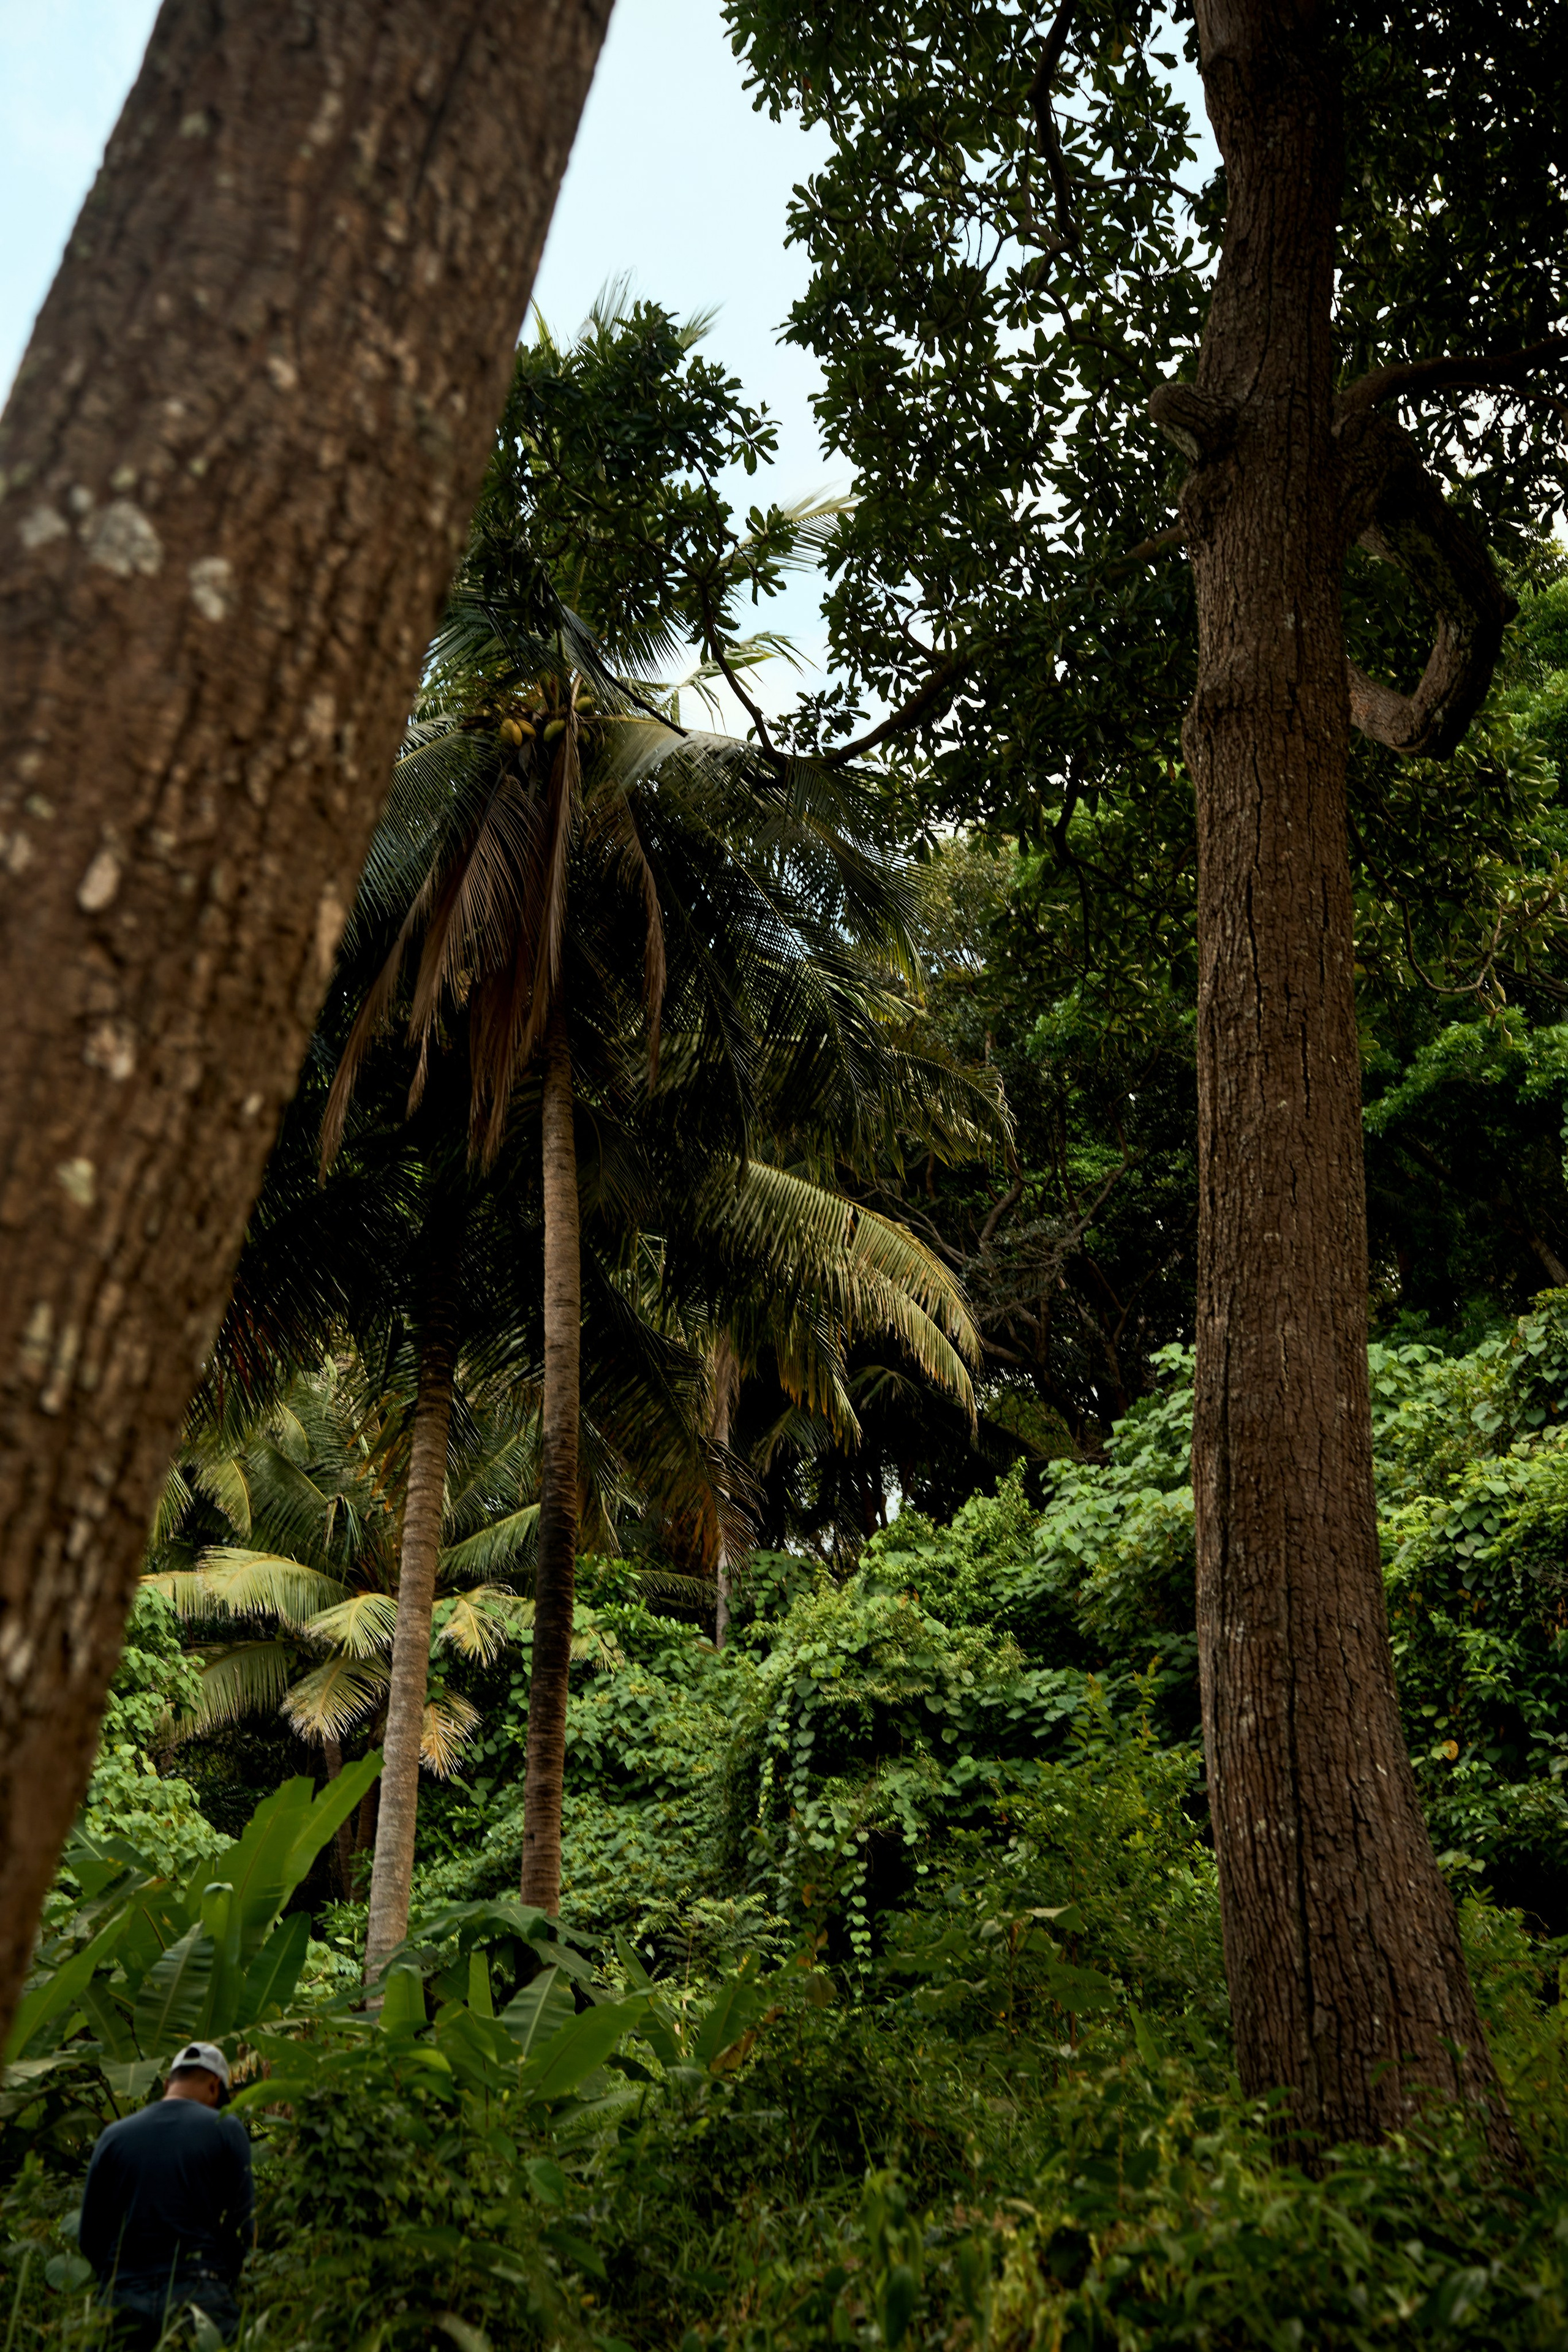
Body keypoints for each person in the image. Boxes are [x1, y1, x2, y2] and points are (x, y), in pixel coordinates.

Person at [79, 2041, 253, 2346]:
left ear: (166, 2084)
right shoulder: (226, 2127)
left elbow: (90, 2236)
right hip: (200, 2289)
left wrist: (119, 2278)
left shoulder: (114, 2136)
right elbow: (243, 2225)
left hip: (123, 2294)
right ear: (215, 2087)